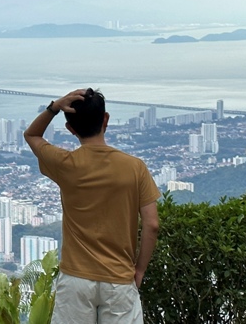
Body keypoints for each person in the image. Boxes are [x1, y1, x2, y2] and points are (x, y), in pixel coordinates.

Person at [23, 88, 160, 324]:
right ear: (106, 119)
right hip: (119, 279)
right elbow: (152, 224)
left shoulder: (66, 164)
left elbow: (32, 135)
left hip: (76, 279)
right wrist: (139, 271)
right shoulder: (135, 167)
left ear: (70, 129)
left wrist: (54, 107)